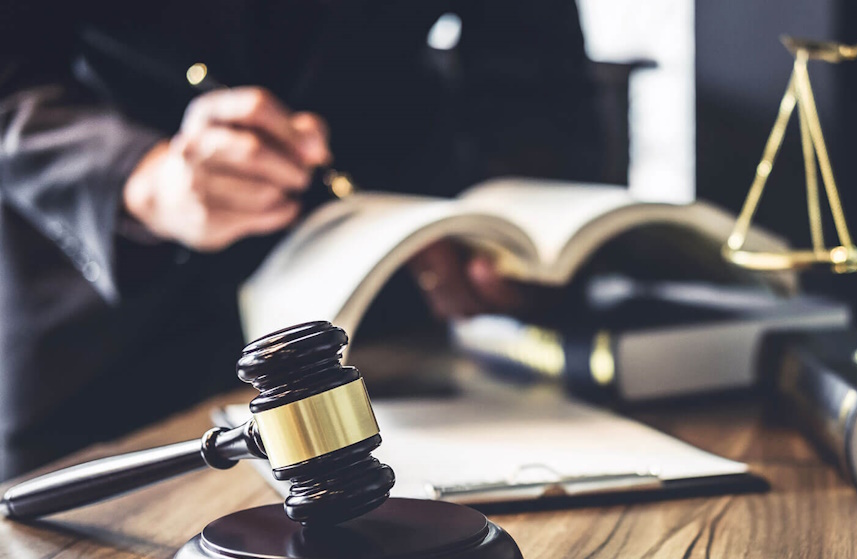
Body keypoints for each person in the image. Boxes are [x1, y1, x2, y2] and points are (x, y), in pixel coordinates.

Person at [0, 0, 601, 479]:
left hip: (388, 327)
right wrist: (138, 177)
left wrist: (498, 226)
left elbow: (533, 72)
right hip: (104, 345)